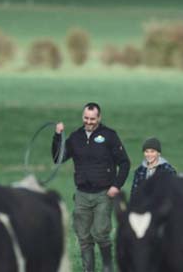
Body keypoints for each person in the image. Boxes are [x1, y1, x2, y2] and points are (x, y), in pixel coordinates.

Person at [52, 102, 130, 272]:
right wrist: (58, 136)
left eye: (92, 119)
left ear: (99, 118)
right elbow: (58, 158)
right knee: (83, 236)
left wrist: (116, 186)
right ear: (83, 117)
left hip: (104, 193)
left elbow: (124, 163)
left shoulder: (109, 136)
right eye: (86, 118)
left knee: (101, 233)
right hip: (81, 194)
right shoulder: (75, 137)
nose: (89, 122)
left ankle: (108, 267)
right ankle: (89, 269)